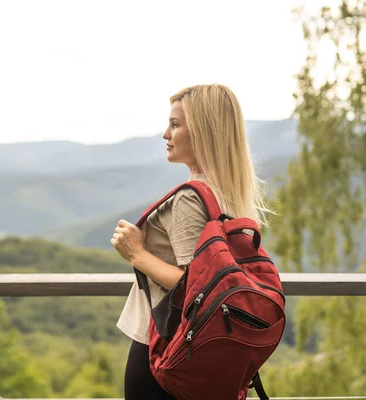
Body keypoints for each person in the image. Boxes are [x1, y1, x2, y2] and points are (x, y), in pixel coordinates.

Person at [111, 84, 272, 400]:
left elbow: (193, 286)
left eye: (175, 124)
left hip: (163, 350)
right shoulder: (225, 192)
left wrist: (136, 253)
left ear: (202, 132)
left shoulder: (190, 198)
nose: (165, 134)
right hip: (203, 355)